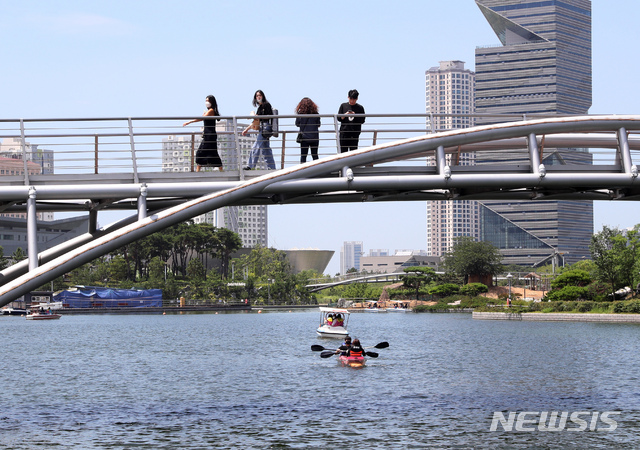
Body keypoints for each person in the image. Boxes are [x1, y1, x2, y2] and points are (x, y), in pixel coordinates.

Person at [183, 95, 223, 172]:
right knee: (211, 152)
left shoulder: (211, 110)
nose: (206, 102)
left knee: (201, 152)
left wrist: (189, 122)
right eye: (206, 100)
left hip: (209, 136)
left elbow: (201, 118)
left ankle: (197, 172)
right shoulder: (210, 111)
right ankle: (220, 170)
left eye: (208, 100)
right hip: (208, 135)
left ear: (212, 102)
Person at [242, 90, 276, 170]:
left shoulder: (266, 105)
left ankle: (250, 165)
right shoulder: (260, 108)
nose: (258, 97)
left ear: (263, 96)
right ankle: (271, 167)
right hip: (262, 128)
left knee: (256, 146)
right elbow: (255, 122)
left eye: (260, 95)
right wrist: (246, 130)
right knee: (266, 149)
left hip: (265, 127)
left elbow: (268, 116)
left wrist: (257, 116)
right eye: (257, 96)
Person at [294, 97, 321, 163]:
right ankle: (318, 170)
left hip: (304, 138)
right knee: (315, 155)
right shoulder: (316, 114)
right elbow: (318, 124)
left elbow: (297, 124)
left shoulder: (300, 114)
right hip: (314, 137)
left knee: (303, 156)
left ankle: (302, 171)